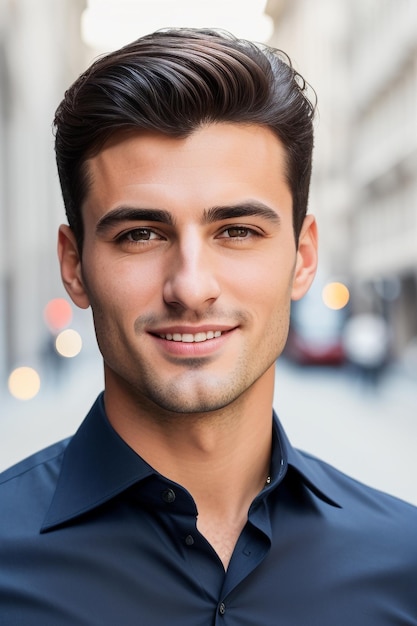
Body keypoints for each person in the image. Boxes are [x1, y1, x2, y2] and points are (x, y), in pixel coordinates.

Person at [0, 28, 416, 625]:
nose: (191, 287)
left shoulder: (405, 566)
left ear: (302, 257)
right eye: (140, 234)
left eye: (237, 231)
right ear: (75, 267)